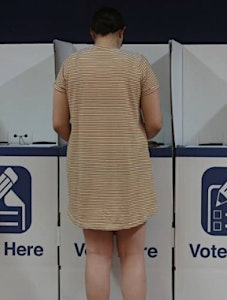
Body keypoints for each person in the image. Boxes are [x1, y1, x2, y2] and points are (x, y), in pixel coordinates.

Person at [52, 7, 162, 300]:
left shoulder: (71, 66)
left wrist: (82, 139)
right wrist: (136, 136)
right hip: (129, 169)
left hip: (88, 170)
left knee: (97, 255)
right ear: (122, 33)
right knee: (133, 255)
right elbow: (155, 123)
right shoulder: (138, 65)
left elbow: (58, 123)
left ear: (92, 33)